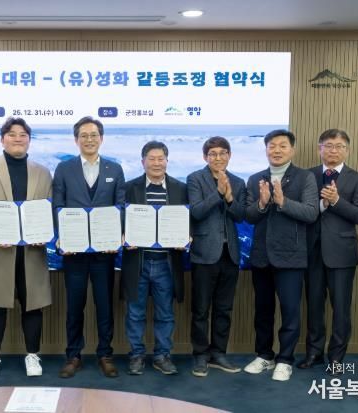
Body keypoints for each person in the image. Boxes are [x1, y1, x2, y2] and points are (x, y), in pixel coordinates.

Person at [0, 117, 53, 378]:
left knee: (32, 305)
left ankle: (33, 355)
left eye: (23, 134)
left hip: (32, 250)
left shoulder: (42, 172)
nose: (18, 138)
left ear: (29, 140)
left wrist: (44, 232)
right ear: (2, 139)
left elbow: (49, 207)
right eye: (12, 134)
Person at [52, 116, 125, 378]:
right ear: (76, 140)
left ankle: (105, 354)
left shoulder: (115, 169)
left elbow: (120, 206)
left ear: (101, 138)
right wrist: (62, 238)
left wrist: (116, 236)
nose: (89, 139)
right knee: (74, 307)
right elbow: (57, 206)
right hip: (74, 253)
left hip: (104, 253)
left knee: (105, 306)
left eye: (94, 135)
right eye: (84, 135)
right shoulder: (64, 168)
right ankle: (73, 355)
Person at [244, 129, 318, 382]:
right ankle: (264, 355)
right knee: (263, 311)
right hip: (261, 256)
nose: (276, 150)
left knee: (290, 311)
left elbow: (311, 213)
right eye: (272, 146)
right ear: (266, 149)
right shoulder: (255, 179)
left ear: (292, 150)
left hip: (291, 256)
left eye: (282, 146)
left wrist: (283, 202)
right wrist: (262, 203)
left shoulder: (305, 177)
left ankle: (285, 359)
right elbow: (249, 216)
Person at [299, 129, 358, 374]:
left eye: (339, 146)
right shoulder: (307, 175)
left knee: (341, 309)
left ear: (347, 150)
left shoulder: (357, 178)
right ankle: (314, 353)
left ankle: (337, 357)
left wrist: (337, 201)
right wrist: (322, 204)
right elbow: (302, 210)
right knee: (314, 307)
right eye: (328, 145)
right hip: (311, 251)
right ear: (320, 148)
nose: (333, 150)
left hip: (342, 252)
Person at [121, 141, 187, 376]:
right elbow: (120, 218)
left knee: (165, 314)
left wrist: (187, 236)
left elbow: (188, 219)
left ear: (167, 161)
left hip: (166, 264)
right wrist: (122, 234)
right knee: (135, 313)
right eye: (152, 158)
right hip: (137, 262)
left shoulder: (180, 188)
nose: (157, 163)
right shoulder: (129, 188)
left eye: (161, 158)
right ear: (143, 162)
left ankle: (162, 355)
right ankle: (136, 355)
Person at [186, 136, 247, 377]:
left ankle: (219, 353)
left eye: (222, 153)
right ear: (205, 157)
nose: (218, 158)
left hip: (230, 254)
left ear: (229, 156)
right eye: (213, 154)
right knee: (201, 309)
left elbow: (241, 215)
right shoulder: (195, 179)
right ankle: (200, 355)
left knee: (224, 309)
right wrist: (218, 193)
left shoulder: (238, 182)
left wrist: (230, 197)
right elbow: (196, 212)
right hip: (204, 253)